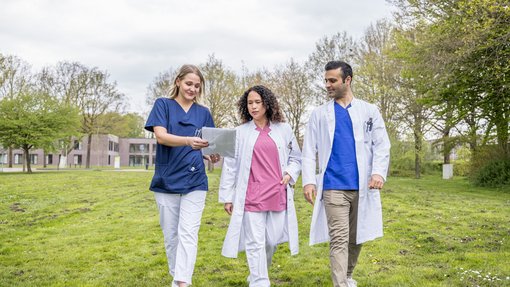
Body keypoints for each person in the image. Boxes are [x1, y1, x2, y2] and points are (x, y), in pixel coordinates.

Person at [302, 61, 390, 287]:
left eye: (333, 80)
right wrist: (309, 181)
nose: (328, 85)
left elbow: (382, 144)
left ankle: (347, 276)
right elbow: (309, 150)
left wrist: (378, 173)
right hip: (333, 186)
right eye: (326, 81)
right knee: (339, 239)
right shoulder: (319, 114)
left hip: (362, 186)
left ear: (347, 80)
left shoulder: (369, 110)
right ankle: (339, 283)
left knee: (357, 237)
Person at [144, 64, 220, 287]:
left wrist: (211, 155)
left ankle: (182, 282)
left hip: (195, 181)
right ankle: (176, 276)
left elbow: (207, 146)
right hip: (166, 180)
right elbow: (161, 136)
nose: (193, 89)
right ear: (178, 81)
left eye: (197, 86)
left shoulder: (203, 113)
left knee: (188, 232)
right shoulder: (163, 105)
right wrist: (188, 140)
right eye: (189, 84)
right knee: (171, 236)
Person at [219, 85, 301, 287]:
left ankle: (258, 273)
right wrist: (227, 197)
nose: (253, 107)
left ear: (267, 103)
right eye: (250, 103)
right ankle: (259, 281)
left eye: (257, 102)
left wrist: (290, 172)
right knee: (255, 242)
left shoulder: (284, 129)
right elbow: (229, 166)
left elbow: (296, 157)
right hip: (251, 195)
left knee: (271, 241)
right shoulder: (239, 132)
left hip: (277, 193)